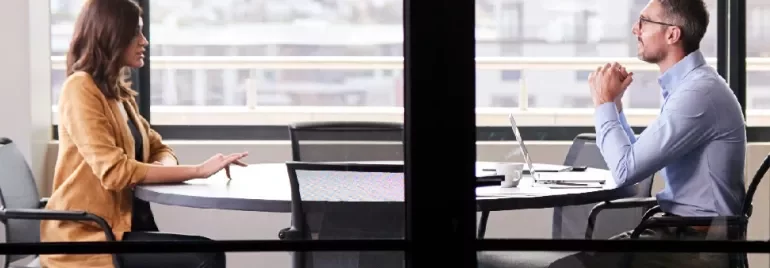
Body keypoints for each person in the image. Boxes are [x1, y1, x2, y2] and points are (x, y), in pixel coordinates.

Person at [40, 0, 248, 267]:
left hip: (123, 228)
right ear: (111, 34)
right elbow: (115, 172)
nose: (144, 41)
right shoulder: (80, 88)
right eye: (135, 32)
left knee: (206, 252)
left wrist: (152, 168)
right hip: (87, 236)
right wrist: (198, 170)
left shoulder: (119, 94)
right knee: (204, 256)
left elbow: (161, 149)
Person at [576, 0, 746, 266]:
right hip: (678, 232)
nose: (635, 29)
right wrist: (616, 107)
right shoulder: (690, 88)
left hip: (698, 244)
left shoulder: (698, 95)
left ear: (672, 34)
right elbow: (636, 162)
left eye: (644, 21)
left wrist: (603, 103)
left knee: (570, 265)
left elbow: (624, 170)